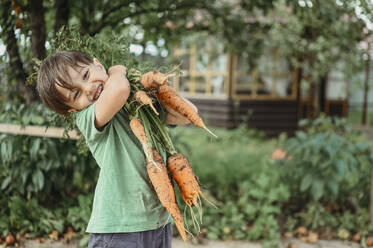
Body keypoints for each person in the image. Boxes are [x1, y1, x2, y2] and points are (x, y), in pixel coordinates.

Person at [37, 50, 196, 248]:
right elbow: (120, 88)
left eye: (86, 75)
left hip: (159, 221)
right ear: (73, 109)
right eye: (76, 94)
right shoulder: (89, 117)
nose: (88, 88)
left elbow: (188, 114)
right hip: (119, 228)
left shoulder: (137, 104)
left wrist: (158, 91)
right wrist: (118, 70)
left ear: (98, 65)